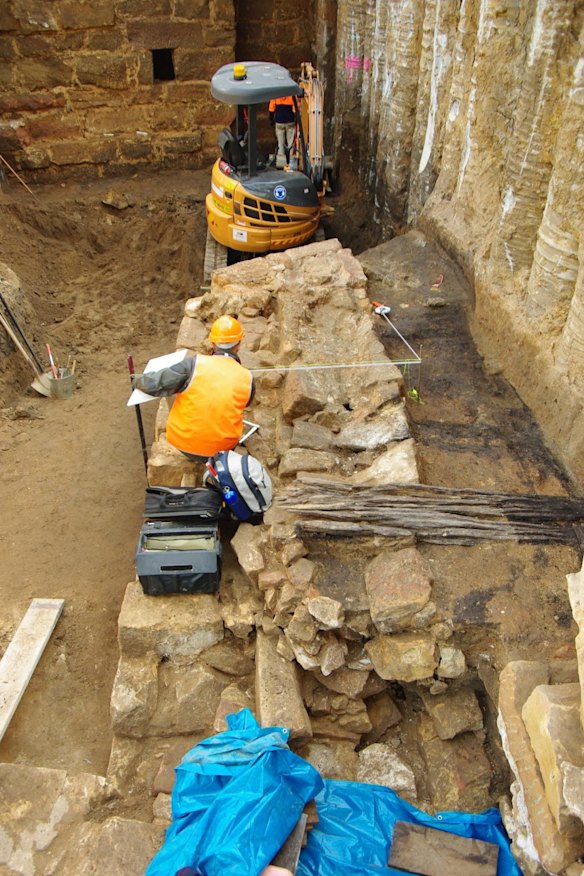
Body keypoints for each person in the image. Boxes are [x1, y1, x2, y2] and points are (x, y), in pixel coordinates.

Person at [132, 315, 254, 461]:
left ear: (213, 342)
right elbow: (245, 403)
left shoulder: (193, 364)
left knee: (179, 390)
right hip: (222, 450)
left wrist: (136, 380)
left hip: (183, 443)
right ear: (239, 344)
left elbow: (156, 384)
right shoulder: (248, 378)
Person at [268, 95, 297, 168]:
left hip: (279, 121)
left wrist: (271, 119)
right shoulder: (291, 94)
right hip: (290, 121)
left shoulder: (276, 94)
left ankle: (281, 163)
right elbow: (295, 109)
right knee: (290, 143)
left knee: (280, 144)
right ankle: (291, 162)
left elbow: (271, 108)